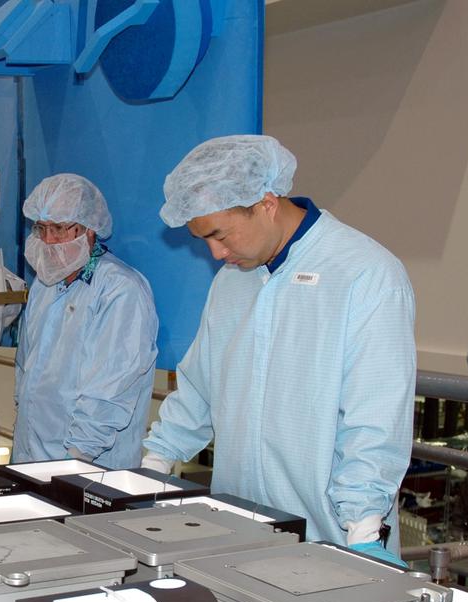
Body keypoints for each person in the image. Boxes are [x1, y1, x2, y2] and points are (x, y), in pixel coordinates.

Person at [141, 135, 415, 563]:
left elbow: (376, 415)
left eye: (221, 235)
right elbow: (200, 386)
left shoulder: (365, 274)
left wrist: (363, 526)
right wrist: (156, 462)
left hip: (331, 537)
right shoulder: (232, 281)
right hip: (236, 528)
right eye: (203, 241)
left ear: (266, 202)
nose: (216, 253)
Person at [12, 174, 158, 469]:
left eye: (60, 228)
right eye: (41, 228)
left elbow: (109, 392)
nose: (48, 240)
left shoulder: (119, 290)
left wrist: (73, 463)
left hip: (87, 467)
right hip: (31, 459)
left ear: (89, 230)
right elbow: (25, 368)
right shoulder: (44, 284)